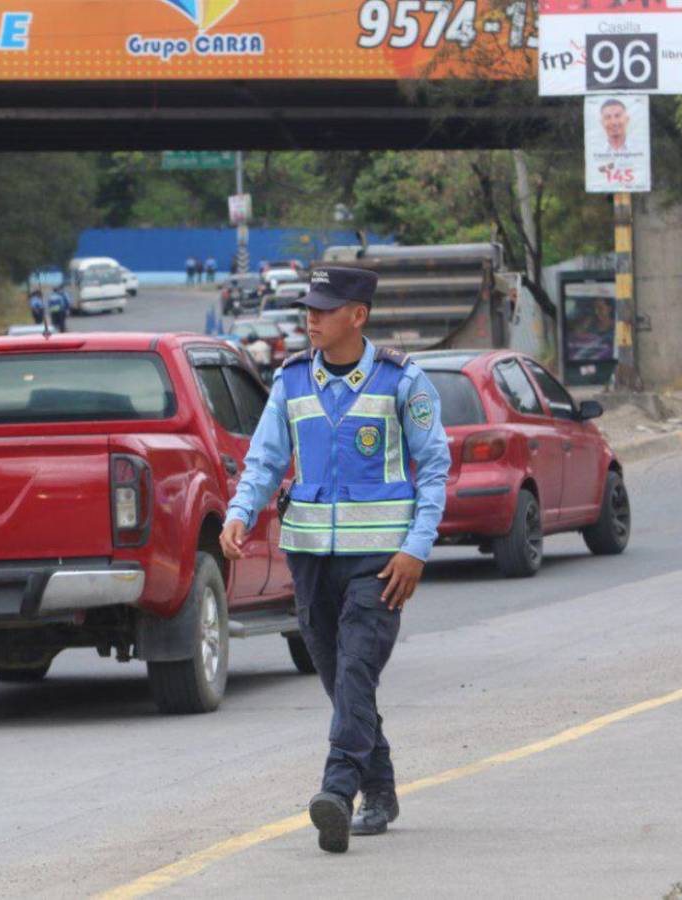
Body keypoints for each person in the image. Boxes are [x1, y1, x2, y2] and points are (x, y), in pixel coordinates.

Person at [219, 266, 451, 854]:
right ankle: (381, 790)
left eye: (325, 308)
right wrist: (240, 512)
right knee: (338, 677)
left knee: (355, 669)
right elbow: (266, 459)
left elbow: (436, 472)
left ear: (358, 315)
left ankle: (337, 790)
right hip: (309, 558)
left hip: (381, 560)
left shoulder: (404, 381)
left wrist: (416, 550)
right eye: (309, 309)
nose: (312, 319)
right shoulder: (292, 380)